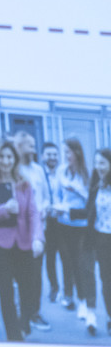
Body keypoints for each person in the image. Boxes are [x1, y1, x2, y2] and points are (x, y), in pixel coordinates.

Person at [0, 139, 44, 342]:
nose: (5, 161)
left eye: (9, 157)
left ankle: (24, 323)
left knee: (28, 290)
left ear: (15, 159)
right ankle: (14, 338)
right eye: (1, 157)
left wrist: (37, 238)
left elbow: (33, 213)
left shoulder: (24, 183)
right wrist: (3, 209)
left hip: (24, 244)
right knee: (6, 293)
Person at [55, 138, 96, 335]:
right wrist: (59, 206)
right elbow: (57, 194)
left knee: (81, 265)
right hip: (63, 222)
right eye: (63, 152)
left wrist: (75, 189)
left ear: (77, 153)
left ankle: (83, 301)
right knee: (68, 262)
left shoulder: (87, 173)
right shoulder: (61, 171)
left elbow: (90, 201)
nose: (65, 156)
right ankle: (72, 296)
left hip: (80, 225)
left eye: (68, 152)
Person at [13, 132, 51, 333]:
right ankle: (23, 315)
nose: (34, 149)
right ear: (19, 147)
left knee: (36, 275)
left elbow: (45, 196)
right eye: (30, 145)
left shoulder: (38, 170)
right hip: (18, 232)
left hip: (38, 231)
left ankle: (34, 313)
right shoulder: (14, 171)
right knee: (22, 276)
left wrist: (44, 208)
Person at [87, 148, 111, 335]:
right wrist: (68, 212)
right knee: (106, 281)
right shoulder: (96, 186)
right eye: (96, 163)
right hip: (102, 239)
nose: (98, 167)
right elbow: (89, 211)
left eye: (102, 163)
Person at [40, 142, 67, 303]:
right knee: (50, 258)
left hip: (63, 221)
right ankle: (54, 288)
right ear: (43, 156)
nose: (52, 157)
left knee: (66, 256)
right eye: (49, 154)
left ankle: (68, 290)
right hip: (47, 221)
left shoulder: (63, 173)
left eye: (55, 154)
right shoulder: (39, 174)